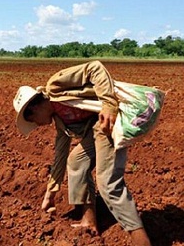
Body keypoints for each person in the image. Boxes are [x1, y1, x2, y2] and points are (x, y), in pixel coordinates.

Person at [12, 60, 151, 246]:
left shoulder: (56, 86)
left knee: (107, 183)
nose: (36, 125)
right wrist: (50, 194)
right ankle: (89, 220)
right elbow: (60, 156)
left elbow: (95, 67)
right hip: (94, 131)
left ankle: (140, 239)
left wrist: (109, 105)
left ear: (34, 108)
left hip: (106, 124)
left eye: (32, 119)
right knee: (76, 161)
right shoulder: (60, 122)